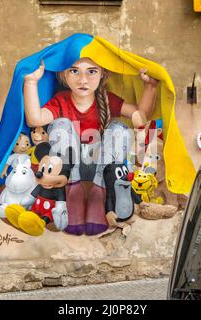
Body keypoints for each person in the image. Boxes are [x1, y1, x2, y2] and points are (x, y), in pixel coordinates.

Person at [23, 57, 158, 235]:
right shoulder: (61, 101)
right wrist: (31, 82)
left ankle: (98, 193)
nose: (83, 79)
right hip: (72, 169)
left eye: (91, 71)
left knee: (120, 129)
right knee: (60, 125)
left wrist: (151, 86)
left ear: (103, 74)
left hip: (100, 168)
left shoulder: (106, 99)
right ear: (64, 74)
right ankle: (74, 195)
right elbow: (35, 119)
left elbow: (141, 115)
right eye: (74, 71)